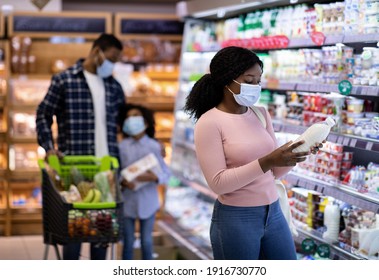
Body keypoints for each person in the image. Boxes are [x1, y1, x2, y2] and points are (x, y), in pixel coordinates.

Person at [184, 46, 323, 260]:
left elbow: (274, 172)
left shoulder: (260, 114)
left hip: (274, 212)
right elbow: (218, 183)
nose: (255, 87)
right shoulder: (209, 122)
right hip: (236, 219)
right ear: (226, 81)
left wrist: (297, 154)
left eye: (258, 81)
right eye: (249, 81)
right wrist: (267, 161)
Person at [36, 33, 125, 260]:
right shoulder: (64, 80)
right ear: (97, 52)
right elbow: (43, 114)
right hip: (74, 168)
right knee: (73, 233)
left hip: (106, 170)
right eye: (112, 59)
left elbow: (122, 124)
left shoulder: (114, 86)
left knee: (102, 233)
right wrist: (49, 147)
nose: (113, 65)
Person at [118, 103, 170, 260]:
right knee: (127, 242)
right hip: (127, 200)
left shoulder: (154, 146)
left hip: (148, 201)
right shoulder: (121, 147)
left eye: (135, 117)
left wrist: (153, 177)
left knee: (147, 242)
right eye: (128, 118)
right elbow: (117, 172)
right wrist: (123, 181)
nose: (131, 120)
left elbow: (166, 173)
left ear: (146, 123)